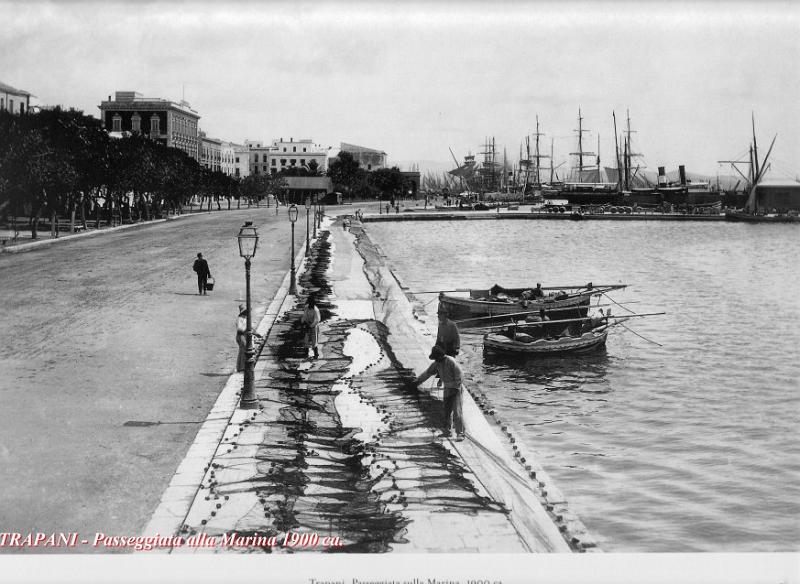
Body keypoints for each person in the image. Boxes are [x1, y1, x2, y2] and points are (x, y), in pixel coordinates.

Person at [413, 346, 465, 440]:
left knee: (457, 411)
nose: (436, 360)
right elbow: (428, 373)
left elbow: (460, 376)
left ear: (441, 356)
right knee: (446, 411)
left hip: (456, 389)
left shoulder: (451, 361)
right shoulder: (437, 363)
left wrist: (455, 388)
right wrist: (418, 381)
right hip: (447, 388)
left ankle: (460, 433)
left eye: (437, 358)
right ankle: (447, 431)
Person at [236, 304, 248, 372]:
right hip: (241, 336)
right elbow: (240, 330)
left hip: (243, 336)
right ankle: (242, 367)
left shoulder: (244, 318)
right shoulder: (240, 319)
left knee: (242, 351)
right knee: (243, 351)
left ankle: (240, 367)